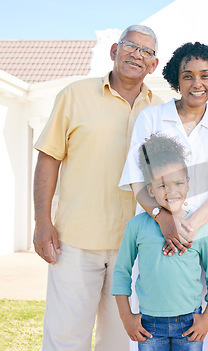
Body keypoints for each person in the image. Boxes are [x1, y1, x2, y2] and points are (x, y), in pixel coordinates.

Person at [32, 25, 161, 350]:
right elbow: (49, 158)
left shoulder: (161, 110)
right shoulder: (75, 94)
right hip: (75, 242)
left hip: (133, 248)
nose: (137, 54)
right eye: (131, 46)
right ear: (114, 51)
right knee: (65, 338)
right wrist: (42, 221)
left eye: (146, 51)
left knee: (119, 342)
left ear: (154, 64)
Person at [119, 41, 208, 350]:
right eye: (188, 76)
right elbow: (136, 180)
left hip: (202, 237)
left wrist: (188, 227)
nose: (197, 83)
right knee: (149, 332)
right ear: (176, 79)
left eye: (205, 75)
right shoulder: (151, 118)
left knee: (201, 333)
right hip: (153, 235)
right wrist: (162, 219)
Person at [112, 134, 208, 351]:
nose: (171, 191)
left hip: (190, 323)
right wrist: (126, 316)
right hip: (149, 325)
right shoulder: (136, 226)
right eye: (162, 185)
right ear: (150, 190)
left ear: (188, 184)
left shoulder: (200, 229)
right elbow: (121, 272)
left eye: (178, 183)